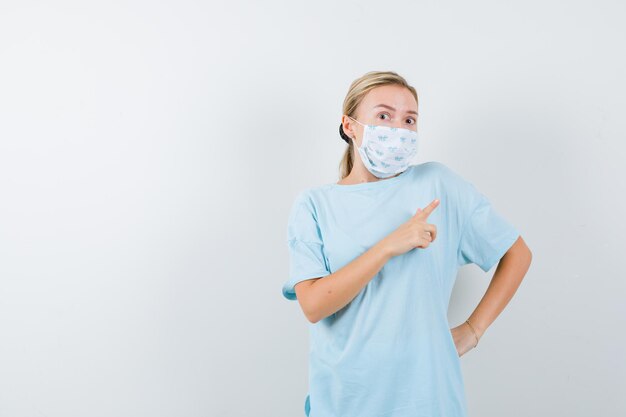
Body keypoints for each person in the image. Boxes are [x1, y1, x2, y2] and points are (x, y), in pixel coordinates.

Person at [281, 70, 533, 417]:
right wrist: (388, 246)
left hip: (429, 400)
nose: (398, 129)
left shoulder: (438, 184)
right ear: (349, 125)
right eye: (384, 116)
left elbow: (516, 253)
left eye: (409, 120)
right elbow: (313, 305)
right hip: (345, 400)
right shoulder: (314, 205)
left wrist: (474, 330)